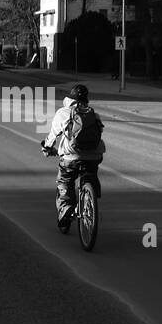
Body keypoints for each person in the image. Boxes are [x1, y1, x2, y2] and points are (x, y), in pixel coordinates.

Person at [41, 83, 106, 229]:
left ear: (70, 98)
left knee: (65, 181)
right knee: (90, 174)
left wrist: (47, 148)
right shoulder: (93, 114)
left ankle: (66, 211)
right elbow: (99, 132)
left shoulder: (63, 113)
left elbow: (53, 136)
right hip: (94, 156)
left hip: (71, 157)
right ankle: (92, 197)